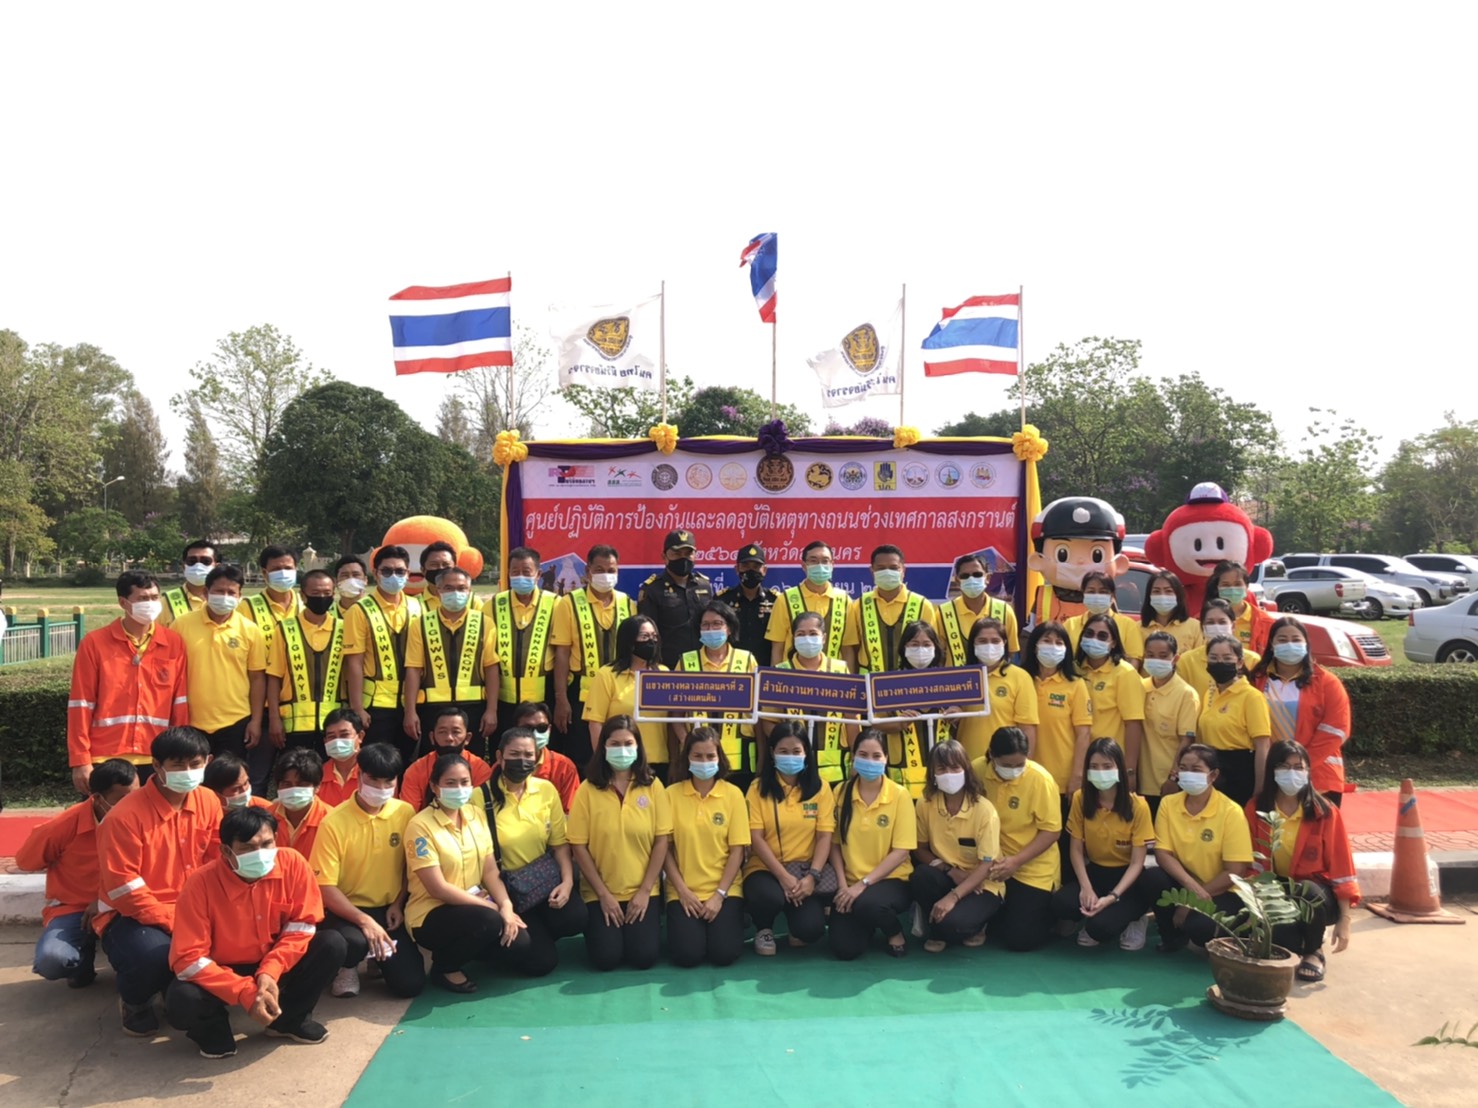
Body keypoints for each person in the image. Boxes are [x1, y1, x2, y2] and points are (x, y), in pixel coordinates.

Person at [165, 807, 345, 1058]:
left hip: (276, 959)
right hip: (222, 968)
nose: (260, 853)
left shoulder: (293, 863)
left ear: (276, 839)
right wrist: (244, 991)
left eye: (267, 843)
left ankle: (289, 1020)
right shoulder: (199, 884)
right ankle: (213, 1030)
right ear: (225, 851)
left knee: (332, 944)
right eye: (247, 848)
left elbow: (303, 925)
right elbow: (188, 959)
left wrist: (270, 970)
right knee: (182, 999)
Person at [95, 727, 223, 1037]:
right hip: (129, 915)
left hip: (193, 907)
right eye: (178, 765)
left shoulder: (208, 801)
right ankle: (135, 1001)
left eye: (195, 763)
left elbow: (217, 860)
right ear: (156, 765)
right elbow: (126, 889)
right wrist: (177, 921)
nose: (188, 771)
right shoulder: (124, 817)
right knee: (153, 956)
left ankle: (173, 987)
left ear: (208, 762)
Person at [404, 752, 532, 992]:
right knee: (489, 921)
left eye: (464, 782)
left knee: (520, 943)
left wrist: (506, 906)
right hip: (431, 912)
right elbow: (438, 888)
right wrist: (493, 908)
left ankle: (466, 949)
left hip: (474, 907)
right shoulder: (420, 826)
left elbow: (490, 870)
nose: (459, 789)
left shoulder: (476, 814)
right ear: (434, 786)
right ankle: (445, 966)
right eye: (450, 783)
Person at [311, 742, 425, 1000]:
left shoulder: (405, 812)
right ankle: (348, 965)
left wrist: (398, 903)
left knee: (410, 985)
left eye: (388, 781)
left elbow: (408, 865)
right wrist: (364, 921)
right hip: (346, 911)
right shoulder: (333, 822)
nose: (381, 788)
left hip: (389, 910)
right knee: (353, 942)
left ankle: (378, 959)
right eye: (374, 780)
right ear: (359, 775)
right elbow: (325, 887)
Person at [1246, 739, 1359, 982]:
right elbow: (1251, 863)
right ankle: (1298, 940)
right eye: (1284, 767)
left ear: (1308, 771)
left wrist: (1345, 920)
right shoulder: (1256, 809)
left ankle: (1314, 952)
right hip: (1274, 891)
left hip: (1316, 894)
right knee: (1283, 942)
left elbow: (1342, 869)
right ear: (1272, 770)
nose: (1292, 773)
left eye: (1299, 767)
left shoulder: (1324, 812)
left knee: (1307, 891)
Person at [67, 569, 189, 794]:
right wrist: (80, 760)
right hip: (105, 755)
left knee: (155, 816)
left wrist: (179, 755)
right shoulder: (94, 643)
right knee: (104, 815)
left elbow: (179, 704)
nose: (150, 603)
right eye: (142, 598)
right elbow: (80, 705)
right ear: (123, 602)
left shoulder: (173, 643)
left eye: (154, 597)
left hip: (156, 756)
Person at [18, 759, 138, 987]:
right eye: (123, 798)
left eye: (136, 795)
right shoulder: (64, 825)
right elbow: (26, 861)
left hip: (122, 905)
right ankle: (81, 961)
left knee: (146, 955)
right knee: (52, 960)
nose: (133, 804)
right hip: (74, 909)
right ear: (98, 798)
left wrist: (105, 900)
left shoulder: (145, 820)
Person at [567, 717, 672, 971]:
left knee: (644, 958)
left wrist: (645, 891)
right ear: (603, 746)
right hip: (600, 891)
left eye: (628, 743)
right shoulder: (587, 790)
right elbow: (578, 846)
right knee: (606, 959)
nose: (622, 750)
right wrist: (603, 895)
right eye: (614, 743)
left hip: (643, 890)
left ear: (638, 747)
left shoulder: (653, 786)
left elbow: (662, 841)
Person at [480, 728, 587, 973]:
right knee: (542, 963)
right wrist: (505, 907)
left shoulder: (546, 790)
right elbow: (485, 865)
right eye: (514, 754)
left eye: (529, 755)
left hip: (539, 883)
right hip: (503, 890)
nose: (522, 760)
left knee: (576, 917)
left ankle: (537, 934)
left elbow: (560, 845)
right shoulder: (480, 797)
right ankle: (491, 946)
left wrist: (567, 882)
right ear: (499, 756)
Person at [1136, 744, 1254, 952]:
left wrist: (1191, 902)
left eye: (1196, 769)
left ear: (1213, 775)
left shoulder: (1231, 812)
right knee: (1152, 878)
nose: (1188, 774)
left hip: (1222, 890)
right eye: (1183, 768)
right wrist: (1191, 890)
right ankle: (1171, 937)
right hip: (1188, 883)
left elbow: (1235, 871)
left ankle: (1228, 933)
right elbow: (1163, 853)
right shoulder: (1168, 804)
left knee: (1200, 929)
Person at [743, 722, 836, 955]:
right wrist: (783, 877)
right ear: (772, 752)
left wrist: (813, 876)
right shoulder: (757, 788)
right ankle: (764, 928)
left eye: (796, 751)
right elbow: (756, 838)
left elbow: (824, 836)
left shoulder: (821, 788)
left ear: (806, 753)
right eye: (783, 751)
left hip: (804, 871)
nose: (790, 757)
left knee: (811, 930)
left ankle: (796, 926)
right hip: (765, 868)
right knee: (767, 897)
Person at [1051, 739, 1154, 949]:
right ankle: (1093, 912)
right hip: (1095, 872)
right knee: (1060, 904)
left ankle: (1135, 918)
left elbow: (1137, 862)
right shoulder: (1081, 799)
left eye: (1107, 766)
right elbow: (1076, 849)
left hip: (1127, 879)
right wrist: (1086, 888)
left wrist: (1113, 897)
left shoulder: (1138, 806)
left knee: (1101, 929)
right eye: (1094, 767)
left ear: (1119, 768)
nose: (1101, 772)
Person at [663, 727, 750, 966]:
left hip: (725, 890)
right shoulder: (670, 795)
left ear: (719, 757)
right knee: (687, 955)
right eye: (698, 756)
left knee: (724, 954)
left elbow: (737, 851)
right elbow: (665, 850)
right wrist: (682, 892)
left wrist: (719, 896)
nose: (704, 761)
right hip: (683, 891)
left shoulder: (733, 795)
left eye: (710, 756)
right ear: (687, 758)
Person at [828, 729, 916, 960]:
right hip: (850, 883)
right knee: (845, 950)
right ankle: (867, 923)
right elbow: (834, 844)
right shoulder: (840, 792)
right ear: (853, 757)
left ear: (886, 758)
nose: (870, 761)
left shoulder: (900, 795)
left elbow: (901, 851)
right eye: (863, 755)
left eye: (876, 756)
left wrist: (863, 884)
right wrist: (842, 886)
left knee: (868, 905)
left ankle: (894, 932)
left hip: (892, 880)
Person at [972, 726, 1062, 952]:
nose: (1014, 770)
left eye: (1020, 765)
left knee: (1020, 939)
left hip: (1032, 867)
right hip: (989, 864)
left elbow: (1051, 831)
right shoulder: (976, 770)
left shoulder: (1041, 780)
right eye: (1007, 765)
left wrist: (1016, 861)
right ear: (992, 755)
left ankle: (1055, 916)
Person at [1249, 617, 1353, 806]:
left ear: (1306, 644)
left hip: (1319, 777)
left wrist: (1299, 766)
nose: (1289, 644)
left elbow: (1337, 730)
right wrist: (1276, 768)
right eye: (1282, 639)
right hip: (1268, 776)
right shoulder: (1256, 681)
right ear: (1271, 644)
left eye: (1296, 639)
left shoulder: (1327, 683)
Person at [910, 740, 1003, 953]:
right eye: (941, 769)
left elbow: (987, 864)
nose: (949, 774)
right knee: (922, 875)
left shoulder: (984, 810)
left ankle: (978, 924)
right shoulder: (925, 804)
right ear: (932, 773)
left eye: (955, 768)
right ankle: (936, 930)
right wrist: (950, 871)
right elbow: (920, 849)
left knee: (955, 926)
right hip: (947, 876)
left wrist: (954, 897)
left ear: (966, 770)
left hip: (982, 884)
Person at [175, 564, 268, 774]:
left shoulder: (250, 630)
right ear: (205, 592)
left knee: (229, 779)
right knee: (193, 780)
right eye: (219, 591)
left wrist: (255, 721)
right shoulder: (181, 625)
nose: (225, 597)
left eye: (231, 593)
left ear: (240, 596)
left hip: (235, 721)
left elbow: (257, 678)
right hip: (192, 721)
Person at [403, 565, 500, 758]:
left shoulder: (484, 622)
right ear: (438, 590)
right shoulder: (421, 624)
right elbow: (413, 669)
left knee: (472, 762)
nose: (455, 593)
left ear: (469, 590)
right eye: (448, 588)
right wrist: (410, 711)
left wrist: (492, 710)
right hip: (432, 708)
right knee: (433, 762)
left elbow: (491, 668)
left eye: (461, 588)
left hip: (474, 707)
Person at [550, 544, 633, 766]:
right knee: (584, 758)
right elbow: (562, 654)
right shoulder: (568, 603)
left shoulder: (628, 603)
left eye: (611, 570)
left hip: (619, 694)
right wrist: (561, 699)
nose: (606, 575)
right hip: (581, 695)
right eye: (599, 570)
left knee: (618, 755)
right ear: (588, 571)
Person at [343, 544, 423, 766]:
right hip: (375, 707)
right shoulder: (359, 610)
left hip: (412, 703)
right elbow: (354, 663)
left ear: (408, 574)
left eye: (400, 571)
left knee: (408, 764)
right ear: (375, 573)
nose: (393, 576)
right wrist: (357, 708)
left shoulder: (418, 607)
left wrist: (412, 709)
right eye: (386, 571)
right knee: (376, 766)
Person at [673, 600, 760, 791]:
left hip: (741, 759)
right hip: (698, 760)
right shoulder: (686, 661)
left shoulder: (746, 659)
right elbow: (675, 713)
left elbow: (758, 709)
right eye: (705, 625)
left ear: (729, 628)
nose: (711, 629)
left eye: (717, 624)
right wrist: (687, 742)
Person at [765, 609, 857, 785]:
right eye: (801, 634)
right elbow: (768, 722)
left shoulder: (840, 670)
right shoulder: (780, 672)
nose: (807, 639)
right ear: (793, 638)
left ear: (824, 638)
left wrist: (855, 758)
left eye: (813, 633)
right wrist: (788, 746)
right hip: (793, 769)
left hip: (835, 770)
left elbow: (851, 720)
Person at [265, 569, 346, 760]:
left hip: (333, 725)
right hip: (294, 726)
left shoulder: (343, 628)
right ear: (302, 595)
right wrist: (274, 719)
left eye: (327, 593)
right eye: (315, 593)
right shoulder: (285, 629)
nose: (322, 598)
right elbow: (274, 677)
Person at [583, 616, 673, 781]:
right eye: (644, 637)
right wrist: (602, 761)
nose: (651, 641)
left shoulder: (664, 673)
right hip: (620, 761)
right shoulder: (607, 675)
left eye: (654, 637)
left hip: (658, 762)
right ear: (630, 641)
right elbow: (595, 723)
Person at [1021, 620, 1093, 827]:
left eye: (1059, 642)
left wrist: (1077, 776)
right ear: (1035, 645)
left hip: (1061, 780)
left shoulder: (1076, 685)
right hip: (1023, 775)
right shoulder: (1021, 679)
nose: (1052, 646)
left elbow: (1084, 734)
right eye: (1046, 640)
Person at [872, 620, 950, 799]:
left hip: (943, 772)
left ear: (935, 648)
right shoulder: (889, 683)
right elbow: (876, 724)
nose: (920, 650)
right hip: (902, 776)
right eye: (914, 644)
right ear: (904, 648)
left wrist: (957, 714)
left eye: (926, 644)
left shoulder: (947, 680)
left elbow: (962, 721)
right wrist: (898, 724)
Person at [486, 546, 558, 738]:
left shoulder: (556, 603)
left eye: (526, 572)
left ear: (538, 574)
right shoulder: (493, 604)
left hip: (543, 699)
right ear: (508, 573)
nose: (520, 577)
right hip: (503, 701)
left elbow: (563, 651)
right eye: (515, 572)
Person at [1073, 612, 1147, 786]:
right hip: (1077, 760)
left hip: (1109, 764)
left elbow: (1133, 724)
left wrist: (1129, 770)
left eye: (1102, 636)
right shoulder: (1074, 670)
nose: (1094, 640)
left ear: (1113, 643)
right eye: (1089, 634)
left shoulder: (1125, 673)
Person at [1197, 635, 1271, 805]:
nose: (1220, 663)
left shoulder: (1252, 697)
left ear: (1239, 663)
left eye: (1227, 658)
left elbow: (1262, 746)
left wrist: (1259, 789)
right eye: (1214, 658)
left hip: (1240, 772)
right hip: (1212, 772)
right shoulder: (1209, 693)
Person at [953, 616, 1038, 763]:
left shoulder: (1020, 677)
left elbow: (1027, 728)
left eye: (995, 641)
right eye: (982, 641)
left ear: (1004, 643)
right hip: (966, 762)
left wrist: (1023, 766)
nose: (989, 646)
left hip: (1005, 763)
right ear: (973, 644)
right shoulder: (960, 676)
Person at [847, 544, 939, 673]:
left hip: (909, 680)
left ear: (903, 571)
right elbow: (852, 648)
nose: (887, 572)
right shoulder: (859, 605)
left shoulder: (923, 605)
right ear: (872, 570)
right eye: (881, 568)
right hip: (868, 680)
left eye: (893, 568)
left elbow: (932, 649)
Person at [766, 540, 857, 669]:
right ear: (804, 566)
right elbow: (777, 648)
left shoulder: (844, 600)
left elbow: (847, 649)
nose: (820, 565)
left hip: (833, 676)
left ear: (832, 565)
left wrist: (848, 679)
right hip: (793, 675)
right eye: (813, 561)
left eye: (825, 561)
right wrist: (776, 678)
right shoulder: (785, 599)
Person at [1139, 631, 1200, 820]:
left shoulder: (1186, 694)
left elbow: (1187, 740)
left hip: (1166, 783)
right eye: (1150, 655)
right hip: (1138, 780)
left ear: (1176, 658)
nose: (1156, 660)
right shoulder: (1138, 686)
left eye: (1163, 656)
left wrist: (1174, 777)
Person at [637, 529, 714, 667]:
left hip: (702, 664)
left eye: (688, 554)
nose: (683, 558)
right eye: (677, 553)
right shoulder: (652, 589)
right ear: (664, 556)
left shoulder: (704, 585)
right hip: (668, 665)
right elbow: (648, 634)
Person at [398, 707, 493, 811]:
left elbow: (482, 810)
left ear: (467, 738)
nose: (449, 738)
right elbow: (409, 812)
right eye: (442, 732)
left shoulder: (480, 768)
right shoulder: (416, 770)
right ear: (432, 737)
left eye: (456, 732)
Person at [938, 552, 1021, 665]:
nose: (971, 579)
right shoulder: (943, 613)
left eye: (977, 575)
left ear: (988, 578)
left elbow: (1011, 652)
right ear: (957, 581)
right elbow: (939, 654)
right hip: (956, 676)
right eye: (965, 576)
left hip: (995, 675)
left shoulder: (1005, 611)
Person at [1177, 599, 1262, 697]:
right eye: (1210, 622)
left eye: (1222, 622)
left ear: (1233, 626)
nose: (1216, 627)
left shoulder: (1253, 660)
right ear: (1202, 627)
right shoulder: (1186, 661)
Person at [715, 541, 782, 663]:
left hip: (765, 667)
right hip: (732, 666)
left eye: (756, 567)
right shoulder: (723, 600)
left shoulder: (776, 600)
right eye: (745, 566)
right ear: (737, 569)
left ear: (764, 570)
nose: (751, 571)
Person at [1064, 572, 1144, 669]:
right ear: (1083, 593)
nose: (1097, 596)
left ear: (1112, 595)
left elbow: (1133, 660)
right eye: (1091, 591)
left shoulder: (1128, 625)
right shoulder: (1070, 624)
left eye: (1103, 592)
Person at [510, 701, 579, 811]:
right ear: (515, 731)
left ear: (549, 730)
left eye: (542, 728)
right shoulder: (503, 766)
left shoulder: (565, 768)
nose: (535, 733)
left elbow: (570, 813)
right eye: (527, 728)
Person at [270, 747, 332, 860]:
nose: (294, 790)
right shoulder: (266, 817)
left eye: (302, 784)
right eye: (287, 784)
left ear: (317, 786)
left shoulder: (332, 820)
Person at [1203, 560, 1275, 655]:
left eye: (1237, 584)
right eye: (1226, 585)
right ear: (1217, 587)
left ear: (1247, 586)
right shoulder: (1204, 619)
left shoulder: (1265, 622)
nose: (1232, 589)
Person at [244, 545, 303, 643]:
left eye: (288, 568)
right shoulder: (247, 607)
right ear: (264, 573)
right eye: (276, 569)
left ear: (295, 570)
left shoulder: (306, 603)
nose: (283, 573)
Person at [1140, 570, 1202, 655]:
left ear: (1178, 595)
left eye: (1168, 591)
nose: (1162, 596)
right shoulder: (1137, 628)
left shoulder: (1195, 627)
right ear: (1149, 596)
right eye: (1156, 591)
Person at [316, 709, 364, 807]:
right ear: (325, 741)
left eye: (344, 735)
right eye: (331, 736)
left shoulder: (375, 772)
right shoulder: (317, 776)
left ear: (360, 736)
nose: (338, 741)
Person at [161, 539, 214, 626]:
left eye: (206, 561)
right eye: (192, 561)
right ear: (183, 566)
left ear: (217, 567)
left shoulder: (229, 600)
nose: (198, 566)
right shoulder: (165, 602)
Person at [205, 753, 273, 812]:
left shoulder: (268, 810)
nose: (244, 791)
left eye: (246, 783)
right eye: (236, 789)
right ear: (216, 793)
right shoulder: (205, 814)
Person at [416, 541, 459, 608]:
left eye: (446, 564)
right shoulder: (414, 604)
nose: (441, 568)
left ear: (455, 568)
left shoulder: (472, 602)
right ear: (423, 570)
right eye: (434, 565)